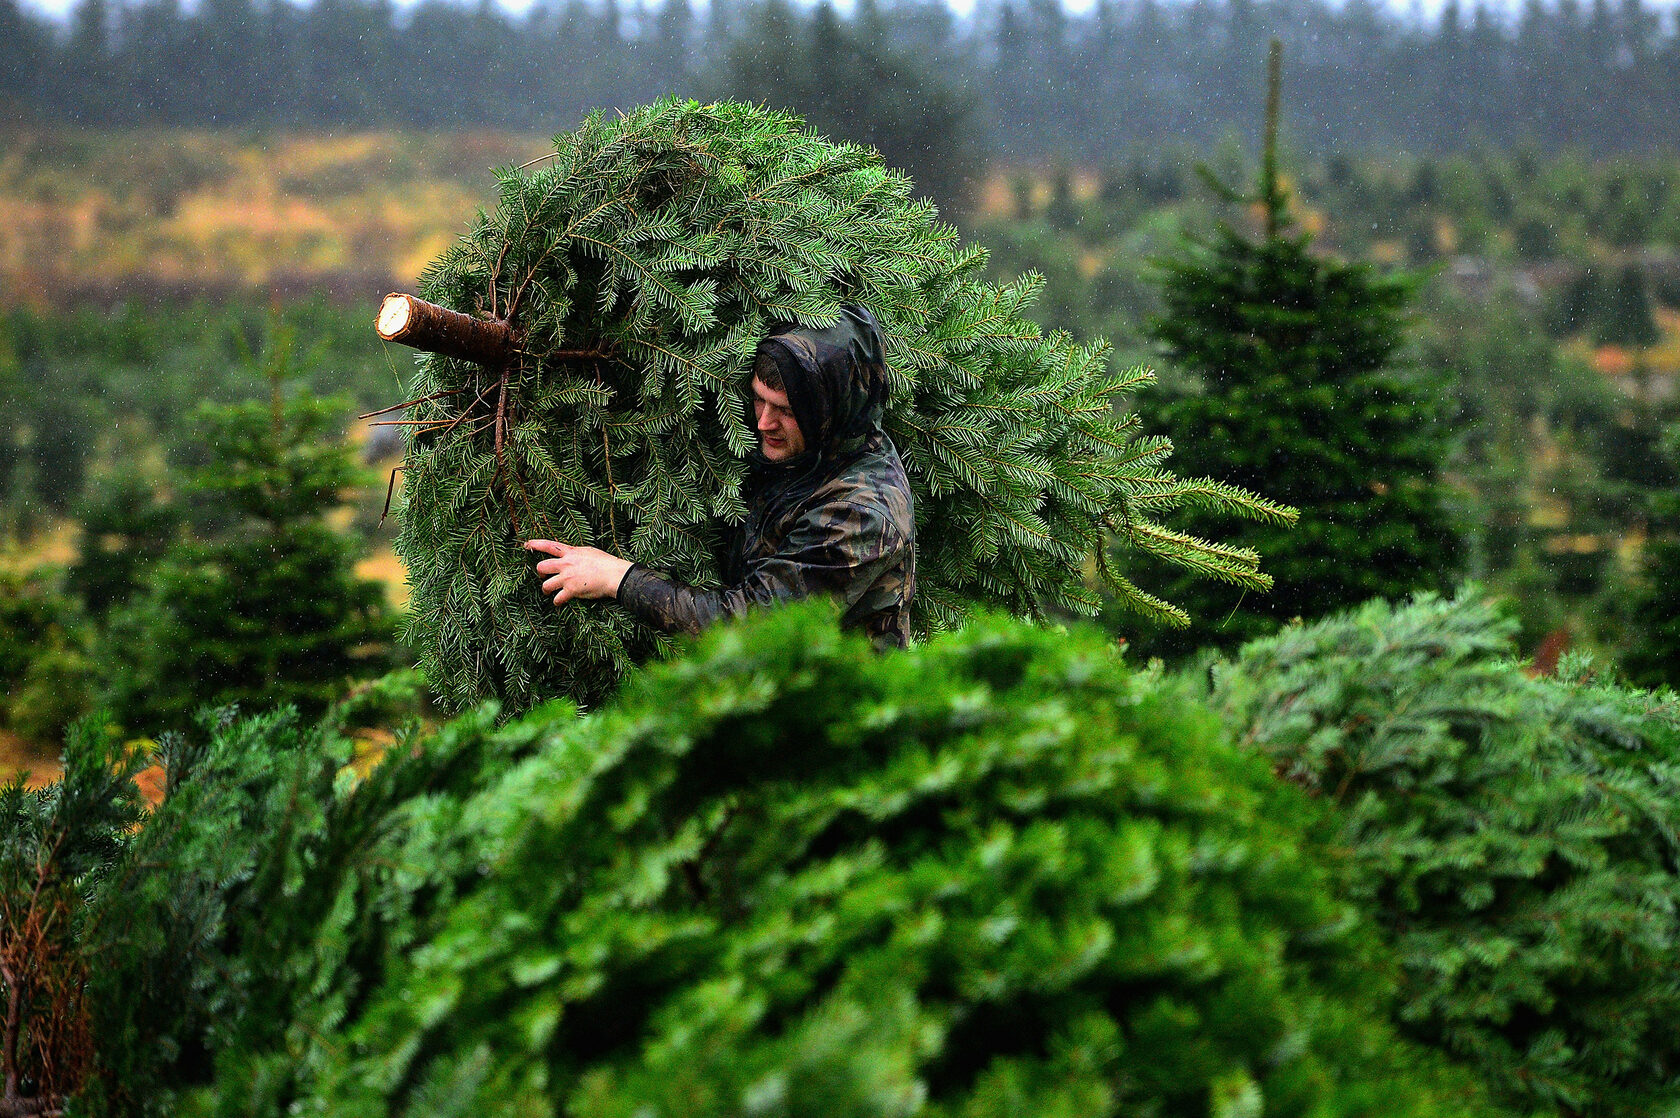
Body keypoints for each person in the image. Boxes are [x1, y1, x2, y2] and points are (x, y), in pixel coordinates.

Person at [524, 305, 916, 648]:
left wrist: (618, 577)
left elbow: (750, 629)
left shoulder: (861, 514)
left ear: (831, 413)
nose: (763, 423)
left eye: (786, 410)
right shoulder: (806, 455)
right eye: (758, 399)